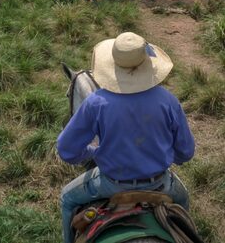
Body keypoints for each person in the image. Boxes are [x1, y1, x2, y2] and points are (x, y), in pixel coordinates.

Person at [57, 32, 195, 243]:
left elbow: (66, 150)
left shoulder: (96, 102)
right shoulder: (168, 101)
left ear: (113, 65)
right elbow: (186, 152)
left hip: (111, 183)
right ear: (147, 64)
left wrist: (92, 152)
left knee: (67, 198)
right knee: (183, 203)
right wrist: (166, 152)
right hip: (160, 183)